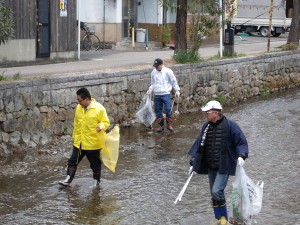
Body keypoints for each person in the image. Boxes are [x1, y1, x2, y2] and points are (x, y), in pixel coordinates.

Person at [188, 100, 248, 225]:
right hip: (210, 165)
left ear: (216, 113)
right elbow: (199, 145)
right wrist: (194, 162)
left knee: (217, 191)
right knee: (213, 194)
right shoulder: (206, 127)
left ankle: (224, 219)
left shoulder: (230, 125)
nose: (206, 115)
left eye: (207, 112)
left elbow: (241, 142)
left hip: (224, 165)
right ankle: (217, 219)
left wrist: (242, 155)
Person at [59, 87, 110, 187]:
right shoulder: (79, 108)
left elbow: (106, 122)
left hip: (93, 143)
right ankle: (68, 179)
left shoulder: (99, 109)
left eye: (79, 100)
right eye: (77, 100)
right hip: (80, 141)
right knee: (72, 160)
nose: (78, 102)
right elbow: (77, 123)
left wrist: (101, 126)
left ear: (87, 99)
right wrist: (75, 136)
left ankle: (96, 182)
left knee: (95, 164)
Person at [146, 58, 180, 132]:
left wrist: (177, 89)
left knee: (168, 109)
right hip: (157, 94)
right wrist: (150, 89)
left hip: (165, 93)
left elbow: (173, 81)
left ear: (161, 65)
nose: (156, 67)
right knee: (158, 110)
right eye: (155, 66)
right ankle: (160, 127)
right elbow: (153, 83)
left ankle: (169, 125)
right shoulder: (153, 72)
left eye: (157, 66)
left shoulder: (168, 71)